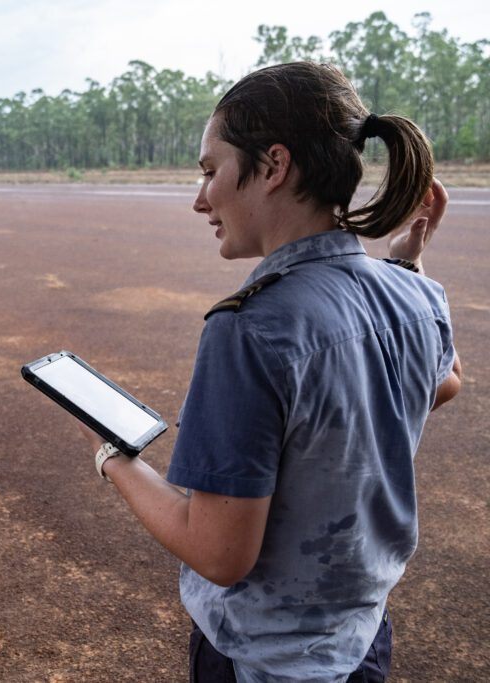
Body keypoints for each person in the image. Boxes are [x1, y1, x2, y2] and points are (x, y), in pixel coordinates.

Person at [77, 62, 461, 682]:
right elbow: (441, 383)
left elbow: (221, 554)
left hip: (264, 660)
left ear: (274, 166)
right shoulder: (413, 294)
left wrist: (116, 462)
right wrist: (406, 268)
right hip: (361, 642)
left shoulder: (250, 328)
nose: (201, 198)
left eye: (210, 171)